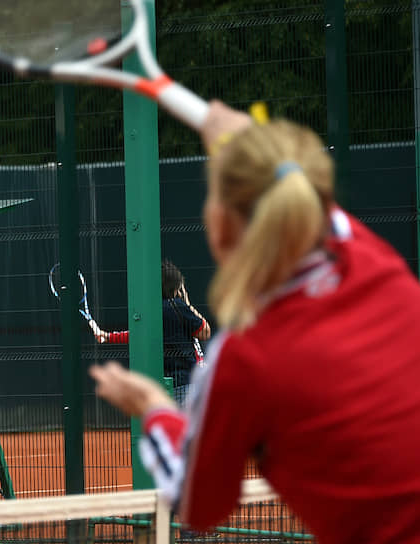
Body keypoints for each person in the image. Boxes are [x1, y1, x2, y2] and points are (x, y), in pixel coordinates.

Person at [89, 100, 420, 543]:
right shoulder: (374, 263)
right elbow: (308, 200)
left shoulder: (246, 360)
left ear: (221, 224)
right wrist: (250, 145)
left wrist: (153, 409)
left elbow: (197, 502)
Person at [94, 259, 211, 404]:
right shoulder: (178, 307)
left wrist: (109, 337)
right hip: (187, 383)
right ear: (176, 287)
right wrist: (187, 304)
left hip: (166, 385)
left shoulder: (154, 310)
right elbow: (205, 331)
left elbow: (138, 334)